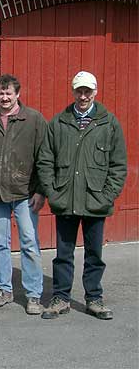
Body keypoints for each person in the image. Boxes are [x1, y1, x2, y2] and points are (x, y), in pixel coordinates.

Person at [37, 71, 127, 320]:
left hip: (95, 201)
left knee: (94, 254)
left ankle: (94, 299)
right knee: (62, 255)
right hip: (65, 200)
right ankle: (61, 298)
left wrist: (108, 196)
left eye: (88, 91)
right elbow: (45, 161)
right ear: (73, 92)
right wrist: (53, 193)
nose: (83, 95)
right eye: (79, 91)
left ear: (95, 92)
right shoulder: (59, 123)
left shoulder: (109, 123)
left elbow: (118, 165)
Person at [0, 74, 47, 315]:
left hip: (25, 192)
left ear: (17, 94)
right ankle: (4, 290)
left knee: (29, 243)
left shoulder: (33, 120)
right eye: (0, 94)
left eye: (8, 93)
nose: (4, 98)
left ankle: (33, 294)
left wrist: (41, 190)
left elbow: (44, 156)